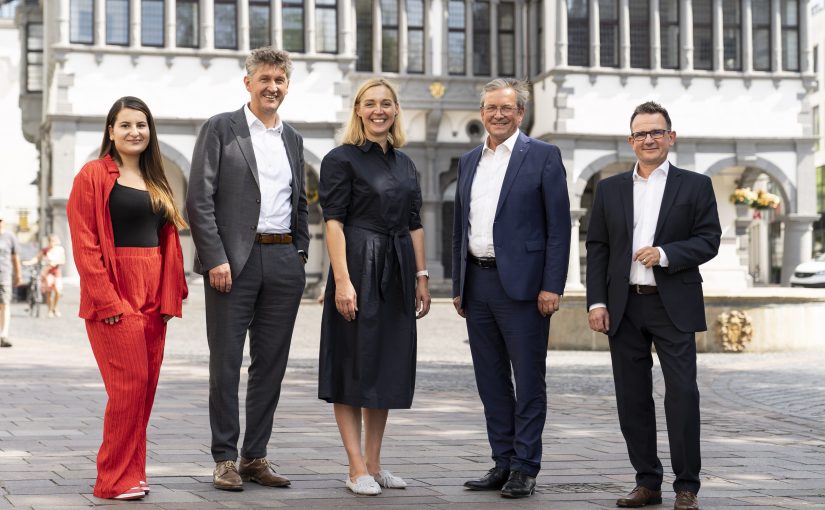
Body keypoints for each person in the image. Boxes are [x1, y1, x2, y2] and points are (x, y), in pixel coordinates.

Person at [585, 101, 721, 510]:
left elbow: (708, 240)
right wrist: (596, 301)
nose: (649, 139)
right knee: (632, 397)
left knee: (682, 393)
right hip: (624, 306)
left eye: (656, 132)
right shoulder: (609, 189)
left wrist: (664, 254)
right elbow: (598, 248)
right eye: (641, 133)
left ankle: (687, 487)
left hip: (672, 304)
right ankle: (647, 482)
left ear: (670, 137)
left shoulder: (695, 185)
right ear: (631, 141)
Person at [186, 46, 308, 491]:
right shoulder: (222, 128)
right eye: (264, 79)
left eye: (279, 80)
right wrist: (215, 256)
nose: (272, 87)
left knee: (270, 364)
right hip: (232, 263)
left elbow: (300, 203)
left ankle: (255, 455)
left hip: (282, 260)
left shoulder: (292, 138)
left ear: (286, 86)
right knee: (226, 363)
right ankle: (224, 458)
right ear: (248, 83)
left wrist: (300, 254)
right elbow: (198, 199)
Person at [451, 78, 571, 499]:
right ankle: (501, 461)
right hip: (478, 283)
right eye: (490, 108)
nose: (497, 114)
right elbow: (459, 227)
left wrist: (552, 285)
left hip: (524, 288)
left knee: (529, 380)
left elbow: (559, 228)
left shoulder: (542, 156)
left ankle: (525, 466)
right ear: (481, 112)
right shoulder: (468, 160)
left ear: (521, 113)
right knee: (490, 379)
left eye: (506, 108)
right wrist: (459, 283)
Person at [66, 96, 188, 501]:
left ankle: (133, 473)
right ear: (111, 131)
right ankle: (111, 480)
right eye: (126, 125)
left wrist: (170, 297)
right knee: (129, 386)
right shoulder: (93, 174)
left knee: (146, 388)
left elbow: (168, 241)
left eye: (142, 125)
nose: (135, 131)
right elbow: (84, 244)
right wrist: (106, 300)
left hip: (153, 295)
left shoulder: (157, 179)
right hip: (115, 293)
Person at [318, 78, 431, 496]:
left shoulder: (405, 163)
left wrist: (421, 277)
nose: (379, 110)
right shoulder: (340, 159)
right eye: (370, 104)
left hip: (398, 268)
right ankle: (354, 466)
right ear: (358, 110)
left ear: (396, 110)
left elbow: (416, 222)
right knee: (352, 363)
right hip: (359, 266)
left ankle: (376, 463)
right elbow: (333, 221)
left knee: (384, 365)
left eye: (386, 103)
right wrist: (343, 281)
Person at [0, 212, 22, 347]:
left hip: (4, 275)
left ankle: (4, 334)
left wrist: (18, 274)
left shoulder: (9, 237)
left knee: (5, 304)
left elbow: (15, 258)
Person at [39, 234, 66, 318]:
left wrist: (56, 262)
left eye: (54, 241)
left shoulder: (60, 250)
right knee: (49, 293)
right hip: (48, 273)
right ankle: (50, 310)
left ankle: (55, 307)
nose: (53, 242)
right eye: (51, 241)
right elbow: (38, 258)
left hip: (57, 273)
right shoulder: (46, 250)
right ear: (49, 241)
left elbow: (63, 260)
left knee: (58, 291)